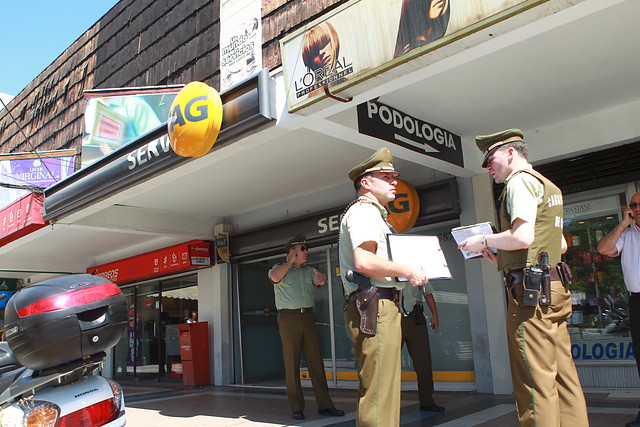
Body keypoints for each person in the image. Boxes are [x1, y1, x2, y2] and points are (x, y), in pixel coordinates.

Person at [458, 129, 589, 427]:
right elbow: (560, 244)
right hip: (554, 288)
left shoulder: (518, 182)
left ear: (510, 153)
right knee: (564, 376)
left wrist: (486, 242)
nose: (489, 168)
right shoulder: (548, 185)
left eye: (491, 160)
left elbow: (522, 236)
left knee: (534, 380)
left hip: (531, 295)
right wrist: (501, 253)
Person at [339, 147, 428, 426]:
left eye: (395, 177)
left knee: (383, 390)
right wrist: (407, 269)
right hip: (375, 306)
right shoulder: (364, 212)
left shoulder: (375, 215)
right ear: (365, 183)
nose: (394, 182)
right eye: (386, 176)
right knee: (379, 393)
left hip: (380, 304)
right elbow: (363, 260)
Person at [268, 234, 344, 421]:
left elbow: (322, 281)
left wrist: (323, 279)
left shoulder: (309, 270)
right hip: (288, 318)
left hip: (308, 317)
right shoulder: (279, 268)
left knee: (316, 362)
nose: (306, 252)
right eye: (302, 249)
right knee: (292, 363)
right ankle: (296, 407)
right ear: (292, 251)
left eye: (306, 248)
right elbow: (275, 277)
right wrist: (290, 261)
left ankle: (325, 405)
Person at [597, 192, 640, 427]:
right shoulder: (627, 234)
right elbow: (603, 248)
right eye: (634, 205)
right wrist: (624, 223)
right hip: (637, 301)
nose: (637, 208)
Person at [400, 283, 445, 412]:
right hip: (394, 320)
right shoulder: (388, 269)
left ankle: (427, 402)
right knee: (389, 366)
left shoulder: (417, 268)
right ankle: (386, 405)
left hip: (415, 320)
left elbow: (427, 292)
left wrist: (434, 314)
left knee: (423, 363)